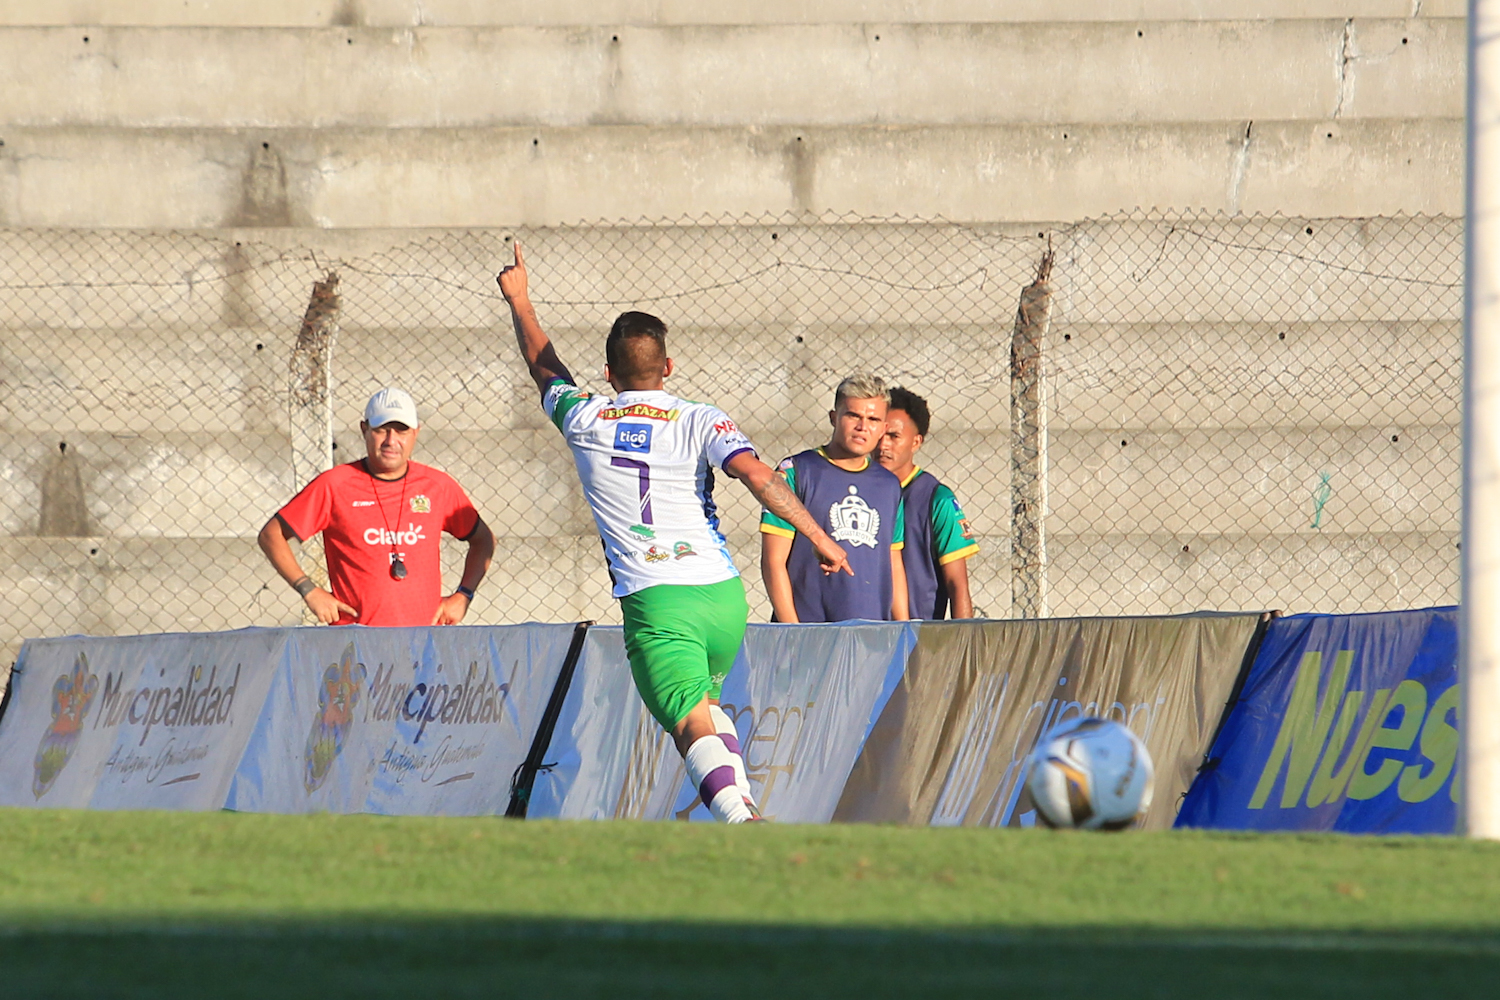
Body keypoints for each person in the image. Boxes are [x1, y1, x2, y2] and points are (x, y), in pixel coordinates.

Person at [496, 242, 850, 824]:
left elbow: (545, 369)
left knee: (689, 723)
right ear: (668, 368)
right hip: (721, 595)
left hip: (657, 599)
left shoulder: (583, 417)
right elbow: (756, 476)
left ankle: (742, 822)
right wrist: (816, 535)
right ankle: (745, 808)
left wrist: (521, 301)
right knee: (706, 707)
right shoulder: (701, 416)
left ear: (608, 374)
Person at [257, 387, 495, 627]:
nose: (391, 441)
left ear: (416, 433)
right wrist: (308, 589)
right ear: (364, 430)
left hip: (424, 640)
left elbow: (484, 540)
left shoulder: (438, 486)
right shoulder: (335, 485)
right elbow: (271, 535)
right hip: (355, 643)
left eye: (401, 431)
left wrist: (464, 595)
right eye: (381, 430)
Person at [760, 375, 910, 623]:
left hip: (872, 639)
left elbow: (893, 562)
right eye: (853, 416)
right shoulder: (796, 471)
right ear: (834, 417)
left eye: (873, 419)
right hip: (809, 635)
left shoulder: (889, 485)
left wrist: (903, 630)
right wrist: (792, 632)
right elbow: (773, 561)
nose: (863, 426)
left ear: (884, 428)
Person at [878, 386, 980, 619]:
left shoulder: (937, 499)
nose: (883, 445)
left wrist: (963, 645)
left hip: (919, 637)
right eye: (879, 435)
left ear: (916, 442)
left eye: (893, 436)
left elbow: (957, 584)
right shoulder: (856, 492)